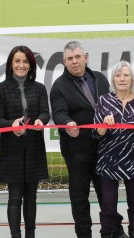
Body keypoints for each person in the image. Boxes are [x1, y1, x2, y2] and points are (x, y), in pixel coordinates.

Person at [50, 41, 127, 238]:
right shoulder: (58, 86)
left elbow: (113, 104)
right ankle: (84, 234)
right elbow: (58, 113)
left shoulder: (100, 79)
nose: (74, 62)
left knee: (107, 194)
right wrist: (68, 124)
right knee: (79, 196)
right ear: (64, 61)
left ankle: (115, 231)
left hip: (104, 147)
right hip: (77, 150)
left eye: (78, 57)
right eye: (70, 59)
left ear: (85, 57)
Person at [0, 46, 50, 238]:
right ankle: (15, 235)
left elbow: (45, 113)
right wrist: (12, 124)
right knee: (14, 198)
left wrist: (41, 120)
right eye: (17, 61)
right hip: (12, 151)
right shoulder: (0, 89)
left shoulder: (39, 88)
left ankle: (30, 235)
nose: (21, 65)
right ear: (10, 65)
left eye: (25, 61)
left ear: (31, 65)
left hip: (34, 149)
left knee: (31, 198)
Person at [93, 61, 134, 238]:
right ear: (113, 79)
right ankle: (108, 234)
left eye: (126, 75)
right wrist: (104, 124)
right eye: (118, 75)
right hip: (108, 162)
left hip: (133, 162)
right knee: (108, 206)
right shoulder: (104, 100)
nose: (122, 79)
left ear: (132, 79)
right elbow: (96, 135)